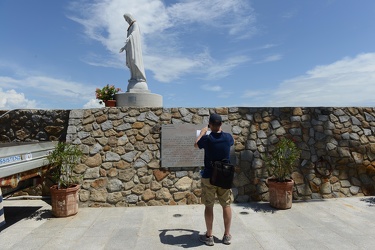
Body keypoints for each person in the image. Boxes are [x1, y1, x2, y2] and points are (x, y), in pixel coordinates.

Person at [194, 113, 234, 246]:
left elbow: (196, 144)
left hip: (209, 176)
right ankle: (227, 235)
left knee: (209, 205)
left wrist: (203, 132)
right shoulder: (228, 137)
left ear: (210, 124)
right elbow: (230, 142)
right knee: (226, 204)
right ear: (221, 124)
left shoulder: (207, 139)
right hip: (224, 176)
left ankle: (209, 236)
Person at [119, 14, 147, 88]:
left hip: (135, 49)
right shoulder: (130, 27)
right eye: (126, 20)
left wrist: (128, 38)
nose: (127, 21)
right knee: (131, 62)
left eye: (127, 19)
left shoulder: (135, 24)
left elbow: (135, 33)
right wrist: (125, 46)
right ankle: (133, 77)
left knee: (135, 60)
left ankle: (139, 78)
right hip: (130, 48)